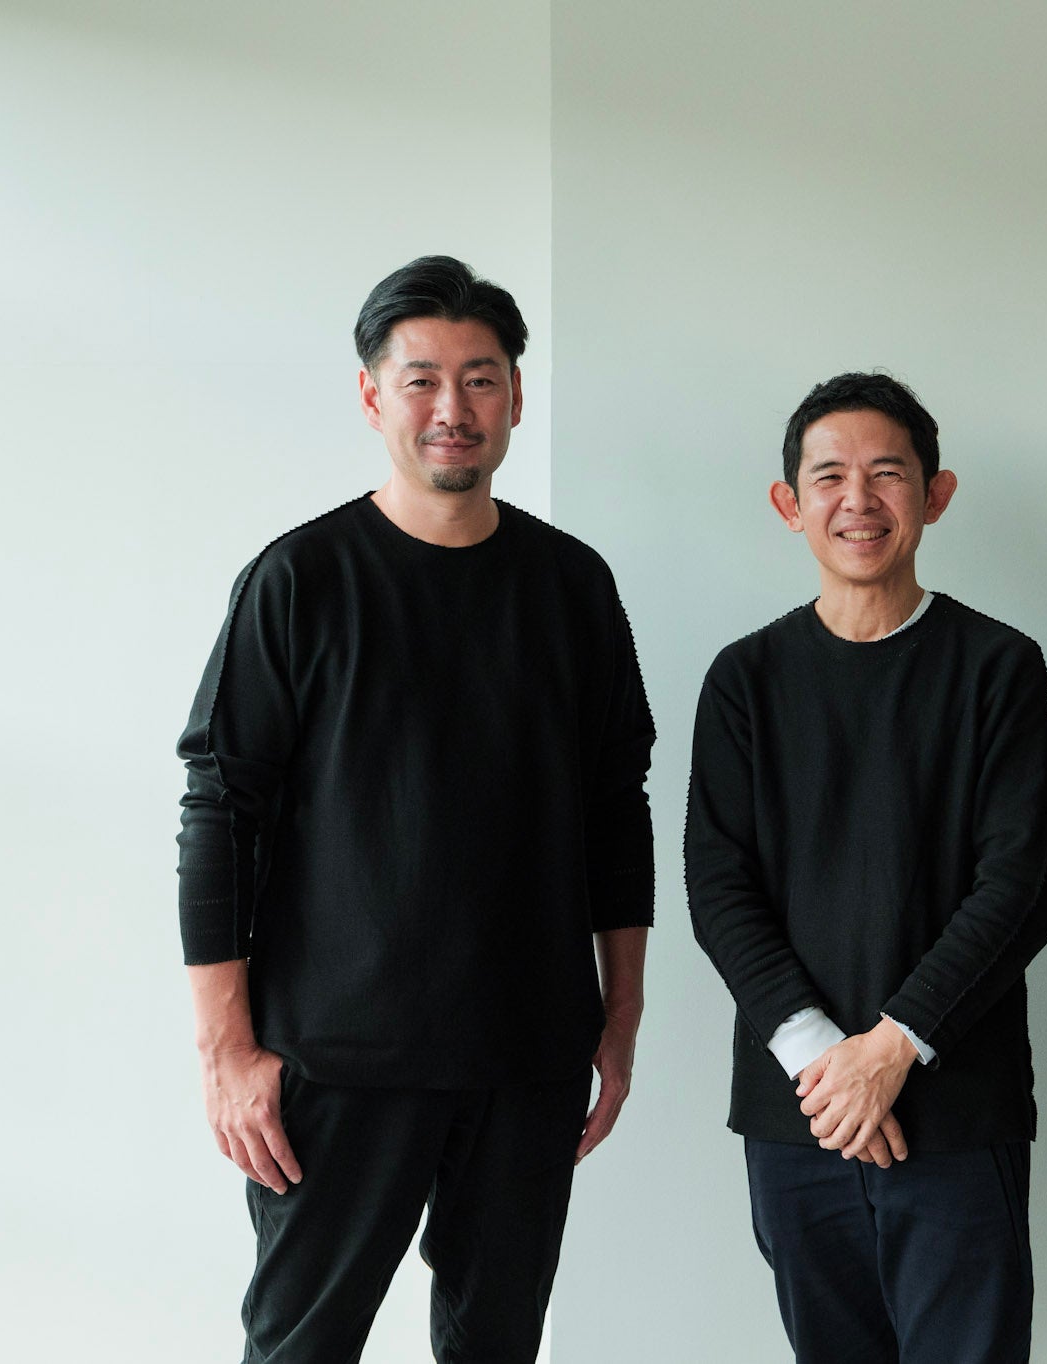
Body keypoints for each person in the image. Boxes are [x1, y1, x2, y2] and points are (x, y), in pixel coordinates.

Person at [174, 255, 655, 1362]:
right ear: (371, 396)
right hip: (337, 1057)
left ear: (516, 397)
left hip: (527, 1052)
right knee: (301, 1347)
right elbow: (219, 813)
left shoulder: (572, 586)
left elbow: (614, 806)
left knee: (496, 1346)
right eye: (422, 380)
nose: (454, 409)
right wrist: (225, 1050)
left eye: (481, 379)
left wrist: (619, 1014)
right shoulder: (300, 580)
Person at [686, 372, 1047, 1364]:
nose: (857, 500)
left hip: (955, 1109)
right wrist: (827, 1062)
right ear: (790, 503)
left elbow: (1020, 883)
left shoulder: (998, 667)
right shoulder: (744, 680)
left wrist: (892, 1049)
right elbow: (718, 887)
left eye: (886, 473)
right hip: (799, 1115)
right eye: (829, 477)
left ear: (935, 494)